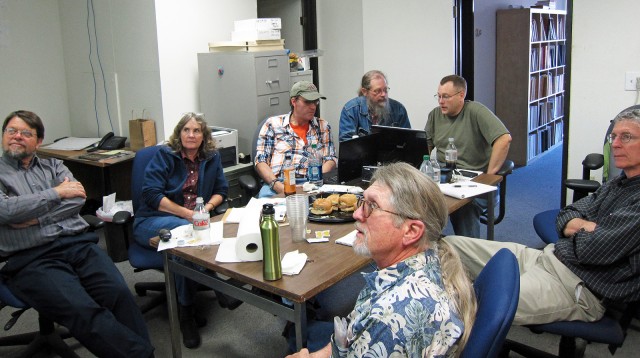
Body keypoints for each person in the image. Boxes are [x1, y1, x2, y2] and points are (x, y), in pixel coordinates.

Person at [444, 108, 640, 325]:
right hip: (548, 257)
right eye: (614, 136)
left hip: (576, 286)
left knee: (462, 303)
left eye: (627, 137)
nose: (615, 144)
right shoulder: (618, 183)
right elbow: (565, 214)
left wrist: (577, 228)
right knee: (448, 247)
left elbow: (591, 249)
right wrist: (587, 227)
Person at [0, 110, 154, 357]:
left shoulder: (54, 164)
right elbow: (5, 210)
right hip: (32, 258)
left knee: (119, 294)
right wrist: (57, 194)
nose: (17, 136)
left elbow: (78, 199)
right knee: (83, 310)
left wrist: (36, 216)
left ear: (38, 141)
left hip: (77, 243)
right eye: (11, 131)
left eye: (26, 133)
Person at [287, 162, 476, 358]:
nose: (356, 214)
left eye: (372, 206)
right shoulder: (428, 258)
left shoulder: (388, 323)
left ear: (411, 231)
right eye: (363, 202)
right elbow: (349, 337)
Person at [133, 112, 237, 349]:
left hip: (195, 221)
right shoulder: (164, 155)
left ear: (204, 136)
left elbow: (222, 189)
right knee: (185, 235)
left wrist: (206, 208)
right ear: (179, 134)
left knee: (186, 244)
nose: (191, 135)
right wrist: (188, 215)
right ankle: (203, 300)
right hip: (153, 220)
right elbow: (150, 195)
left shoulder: (211, 157)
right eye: (186, 130)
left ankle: (186, 308)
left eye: (197, 131)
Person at [426, 74, 512, 238]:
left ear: (461, 95)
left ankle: (470, 258)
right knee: (413, 199)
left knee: (464, 207)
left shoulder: (476, 111)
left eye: (446, 96)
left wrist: (490, 175)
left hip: (475, 181)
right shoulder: (434, 116)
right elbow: (426, 149)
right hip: (445, 178)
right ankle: (426, 253)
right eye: (439, 96)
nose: (441, 101)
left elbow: (504, 139)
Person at [255, 81, 337, 197]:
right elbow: (261, 161)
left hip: (312, 183)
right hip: (278, 183)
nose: (313, 106)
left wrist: (315, 182)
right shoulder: (273, 125)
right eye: (307, 102)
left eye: (315, 102)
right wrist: (278, 187)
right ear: (294, 101)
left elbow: (330, 159)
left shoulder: (323, 126)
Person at [339, 70, 411, 141]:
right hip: (361, 153)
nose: (383, 94)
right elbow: (347, 144)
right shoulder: (350, 110)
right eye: (377, 91)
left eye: (385, 90)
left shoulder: (398, 109)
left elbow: (408, 140)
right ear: (365, 92)